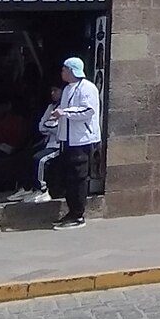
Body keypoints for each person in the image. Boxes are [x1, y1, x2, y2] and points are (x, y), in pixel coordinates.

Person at [49, 56, 102, 228]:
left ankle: (77, 214)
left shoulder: (87, 88)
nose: (62, 72)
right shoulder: (67, 89)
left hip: (81, 140)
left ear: (72, 71)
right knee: (69, 178)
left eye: (64, 70)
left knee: (78, 178)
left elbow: (88, 111)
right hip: (68, 140)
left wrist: (65, 112)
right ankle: (71, 211)